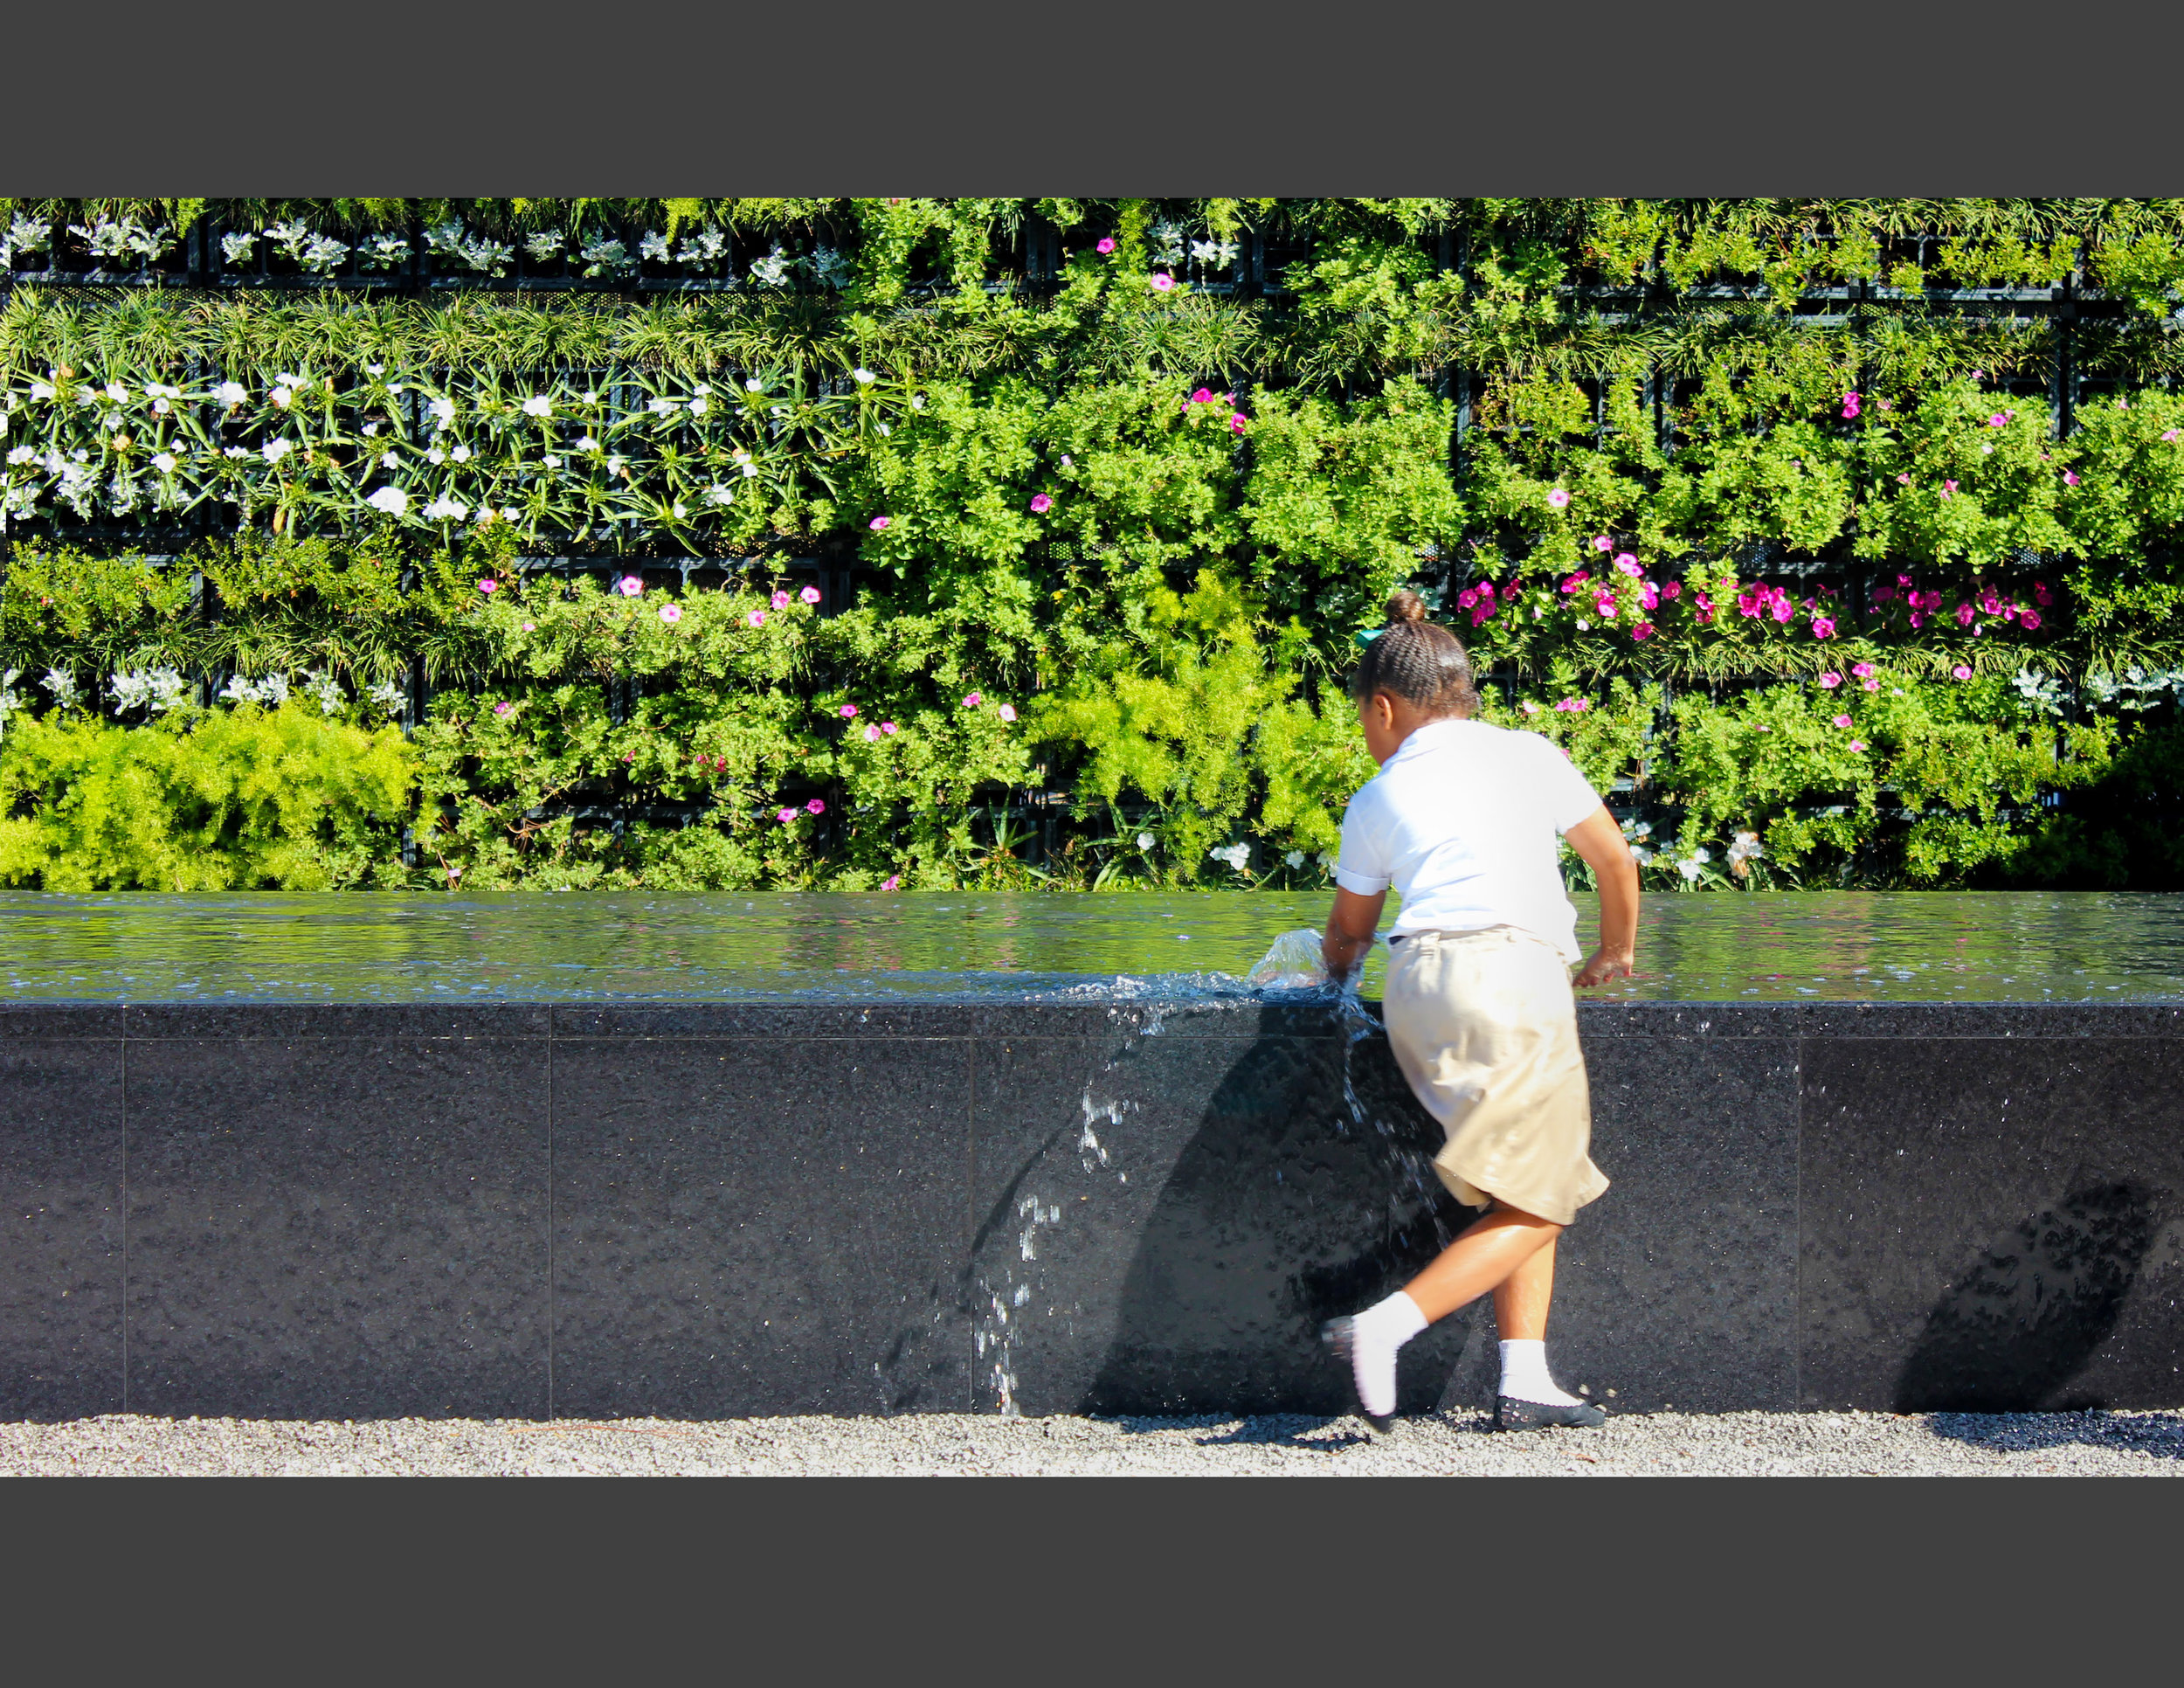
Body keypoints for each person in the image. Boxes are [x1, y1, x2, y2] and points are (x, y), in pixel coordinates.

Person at [1318, 589, 1639, 1432]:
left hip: (1419, 990)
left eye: (1362, 718)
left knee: (1531, 1176)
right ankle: (1383, 1327)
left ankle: (1525, 1375)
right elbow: (1614, 862)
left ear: (1383, 708)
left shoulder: (1377, 797)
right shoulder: (1529, 755)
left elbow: (1348, 936)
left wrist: (1324, 991)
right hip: (1509, 979)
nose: (1366, 733)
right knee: (1546, 1196)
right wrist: (1614, 952)